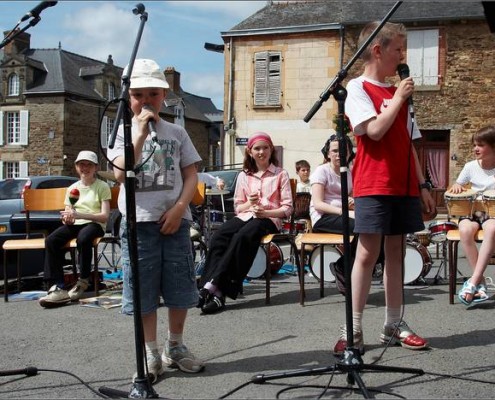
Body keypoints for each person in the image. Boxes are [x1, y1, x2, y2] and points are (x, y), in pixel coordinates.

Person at [333, 21, 435, 356]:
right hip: (374, 182)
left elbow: (409, 142)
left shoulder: (398, 94)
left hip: (404, 183)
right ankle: (353, 329)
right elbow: (373, 131)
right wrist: (398, 99)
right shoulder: (357, 89)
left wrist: (422, 184)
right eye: (399, 49)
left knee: (396, 252)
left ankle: (394, 323)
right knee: (366, 253)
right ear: (378, 51)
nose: (403, 56)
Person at [107, 58, 204, 383]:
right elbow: (122, 174)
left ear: (164, 96)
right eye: (138, 94)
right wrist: (137, 133)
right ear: (129, 98)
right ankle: (149, 351)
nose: (145, 100)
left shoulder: (176, 132)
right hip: (139, 225)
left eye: (153, 93)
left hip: (174, 221)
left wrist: (179, 208)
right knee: (143, 289)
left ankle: (174, 346)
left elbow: (191, 175)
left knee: (179, 285)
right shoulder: (121, 133)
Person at [197, 131, 293, 314]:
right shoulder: (244, 175)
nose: (261, 152)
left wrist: (266, 211)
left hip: (269, 219)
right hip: (246, 215)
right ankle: (210, 287)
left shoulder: (281, 174)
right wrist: (251, 203)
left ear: (271, 150)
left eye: (265, 148)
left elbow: (287, 208)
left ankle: (216, 290)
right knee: (219, 237)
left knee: (243, 237)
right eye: (257, 148)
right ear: (250, 152)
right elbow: (239, 208)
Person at [39, 151, 111, 308]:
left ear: (95, 168)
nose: (85, 168)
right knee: (51, 240)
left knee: (84, 238)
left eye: (89, 165)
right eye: (81, 165)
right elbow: (68, 211)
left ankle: (83, 280)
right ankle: (56, 285)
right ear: (77, 167)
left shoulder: (102, 186)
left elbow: (105, 216)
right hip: (75, 224)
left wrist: (79, 214)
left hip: (95, 224)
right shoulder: (72, 188)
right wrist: (67, 217)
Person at [448, 125, 495, 305]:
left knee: (491, 228)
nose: (476, 148)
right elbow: (456, 186)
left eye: (481, 145)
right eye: (475, 145)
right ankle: (480, 282)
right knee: (465, 229)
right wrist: (457, 186)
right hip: (472, 210)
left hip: (492, 214)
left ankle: (473, 281)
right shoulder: (469, 166)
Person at [309, 134, 357, 294]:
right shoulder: (321, 171)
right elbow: (318, 204)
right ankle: (343, 269)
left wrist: (352, 203)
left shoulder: (349, 173)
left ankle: (345, 268)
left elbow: (349, 198)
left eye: (344, 150)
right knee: (362, 228)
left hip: (342, 215)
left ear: (350, 153)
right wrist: (346, 212)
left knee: (372, 230)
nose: (339, 154)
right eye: (335, 151)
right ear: (328, 153)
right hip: (322, 218)